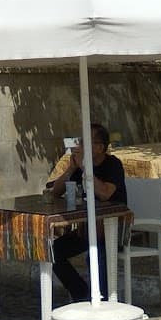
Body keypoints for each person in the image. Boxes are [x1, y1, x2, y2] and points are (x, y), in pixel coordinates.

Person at [46, 122, 127, 303]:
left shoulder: (113, 165)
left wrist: (84, 167)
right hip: (87, 228)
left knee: (97, 250)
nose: (79, 147)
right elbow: (56, 192)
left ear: (99, 147)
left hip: (114, 230)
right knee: (52, 251)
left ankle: (104, 301)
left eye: (84, 142)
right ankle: (80, 293)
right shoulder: (79, 166)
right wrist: (72, 168)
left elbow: (105, 194)